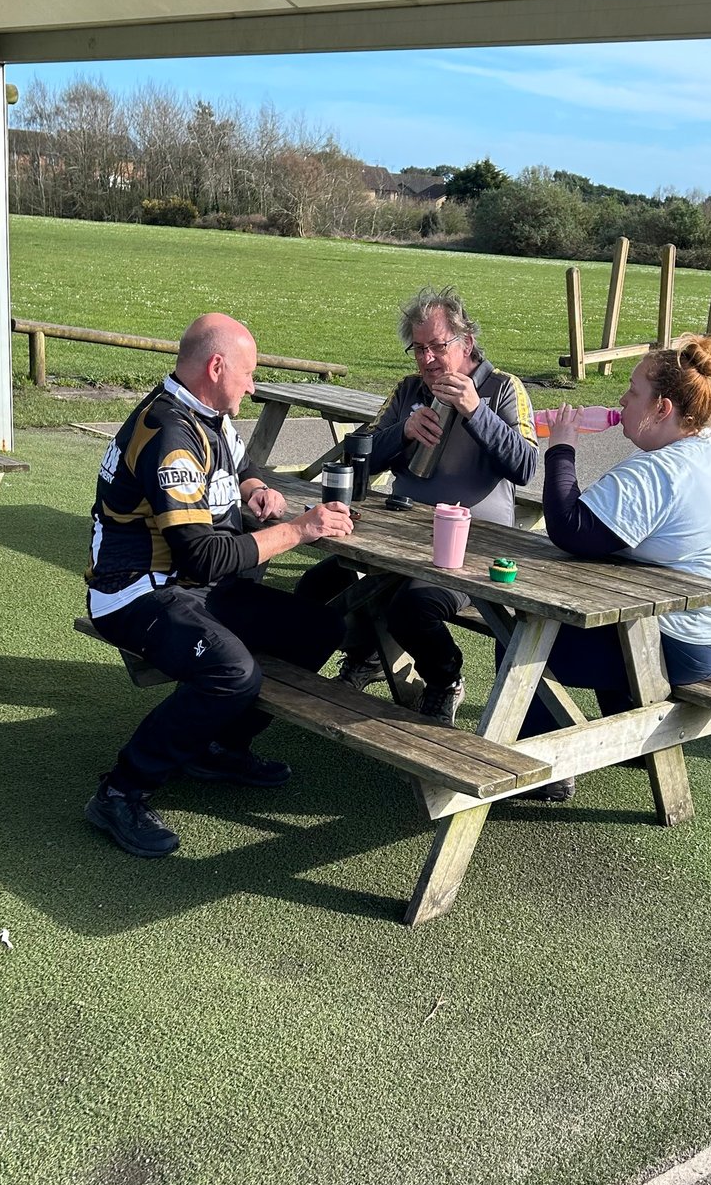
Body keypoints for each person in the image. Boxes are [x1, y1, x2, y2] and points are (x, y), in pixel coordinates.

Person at [84, 312, 353, 858]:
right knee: (233, 672)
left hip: (189, 586)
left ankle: (217, 746)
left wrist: (251, 484)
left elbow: (239, 458)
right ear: (216, 365)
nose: (253, 386)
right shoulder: (171, 435)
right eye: (249, 373)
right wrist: (299, 530)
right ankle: (120, 790)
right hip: (139, 593)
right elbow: (203, 557)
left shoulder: (202, 410)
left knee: (319, 627)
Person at [523, 333, 711, 802]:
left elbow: (571, 530)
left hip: (688, 640)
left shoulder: (658, 473)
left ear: (662, 407)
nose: (622, 400)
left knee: (527, 636)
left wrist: (562, 448)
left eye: (633, 391)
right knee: (621, 613)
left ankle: (542, 768)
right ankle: (632, 738)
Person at [296, 285, 538, 725]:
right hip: (398, 533)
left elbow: (526, 466)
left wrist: (474, 411)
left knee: (411, 609)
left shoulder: (504, 388)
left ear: (466, 342)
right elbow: (357, 456)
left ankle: (445, 681)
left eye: (437, 347)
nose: (427, 360)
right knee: (317, 587)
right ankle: (364, 654)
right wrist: (402, 433)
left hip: (468, 549)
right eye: (418, 349)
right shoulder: (408, 390)